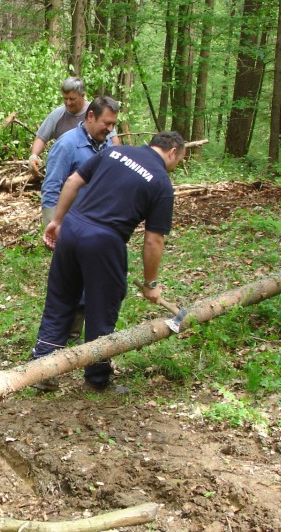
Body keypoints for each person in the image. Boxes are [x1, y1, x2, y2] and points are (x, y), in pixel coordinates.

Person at [31, 131, 187, 393]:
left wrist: (57, 221)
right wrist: (151, 283)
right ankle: (96, 377)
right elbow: (153, 241)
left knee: (60, 299)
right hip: (104, 240)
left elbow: (72, 181)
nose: (175, 167)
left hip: (72, 228)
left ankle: (41, 370)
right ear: (173, 152)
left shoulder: (117, 151)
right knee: (102, 308)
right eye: (178, 161)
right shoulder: (161, 182)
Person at [40, 95, 120, 228]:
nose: (111, 129)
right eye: (106, 123)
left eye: (114, 124)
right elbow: (51, 188)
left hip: (98, 227)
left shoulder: (109, 147)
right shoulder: (66, 145)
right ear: (91, 116)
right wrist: (52, 226)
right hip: (70, 227)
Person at [28, 77, 120, 177]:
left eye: (72, 99)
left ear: (83, 95)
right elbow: (41, 138)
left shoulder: (96, 111)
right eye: (65, 98)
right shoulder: (57, 115)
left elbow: (114, 142)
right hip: (64, 169)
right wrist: (34, 155)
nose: (68, 102)